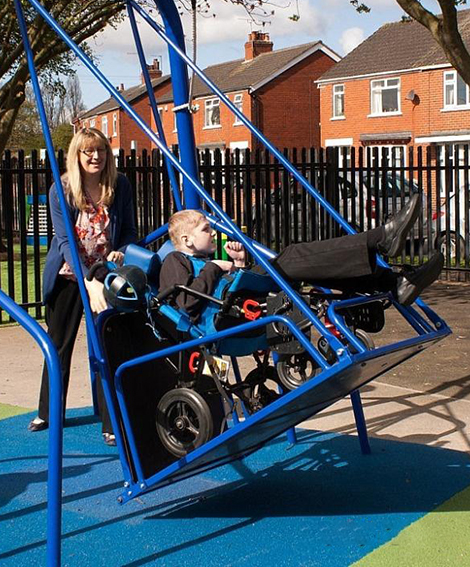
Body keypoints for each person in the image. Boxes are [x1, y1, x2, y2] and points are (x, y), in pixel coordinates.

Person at [28, 127, 138, 446]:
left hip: (105, 274)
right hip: (69, 273)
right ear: (76, 156)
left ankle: (111, 422)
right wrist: (87, 280)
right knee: (58, 344)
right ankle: (49, 412)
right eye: (88, 151)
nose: (95, 157)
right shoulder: (61, 189)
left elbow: (129, 230)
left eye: (101, 150)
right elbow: (65, 241)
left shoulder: (119, 185)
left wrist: (122, 249)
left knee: (108, 344)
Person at [159, 199, 443, 319]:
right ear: (186, 241)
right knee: (293, 256)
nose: (212, 232)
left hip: (245, 301)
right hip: (235, 312)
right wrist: (213, 267)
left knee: (314, 267)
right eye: (205, 229)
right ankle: (381, 237)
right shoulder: (175, 261)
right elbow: (186, 305)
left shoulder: (209, 259)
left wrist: (240, 263)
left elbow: (229, 287)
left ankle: (393, 283)